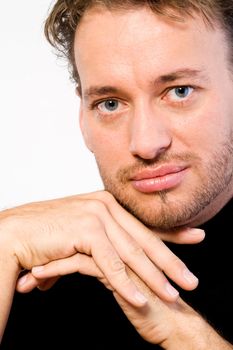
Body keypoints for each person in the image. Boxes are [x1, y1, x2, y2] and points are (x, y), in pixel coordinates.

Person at [0, 0, 232, 348]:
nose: (146, 143)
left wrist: (186, 336)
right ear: (82, 117)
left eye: (179, 91)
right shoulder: (33, 277)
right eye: (110, 103)